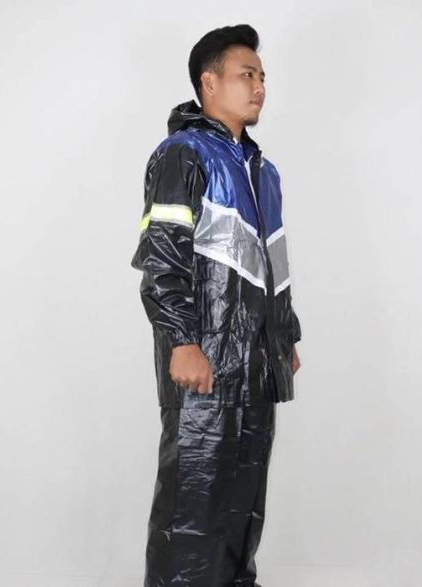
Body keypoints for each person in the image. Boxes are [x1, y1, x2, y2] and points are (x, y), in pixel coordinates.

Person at [130, 23, 302, 587]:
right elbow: (162, 255)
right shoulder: (182, 155)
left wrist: (285, 335)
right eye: (246, 74)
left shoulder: (263, 172)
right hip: (203, 356)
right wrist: (182, 341)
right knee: (194, 503)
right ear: (209, 83)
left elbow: (272, 265)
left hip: (257, 362)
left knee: (243, 500)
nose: (259, 87)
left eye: (262, 76)